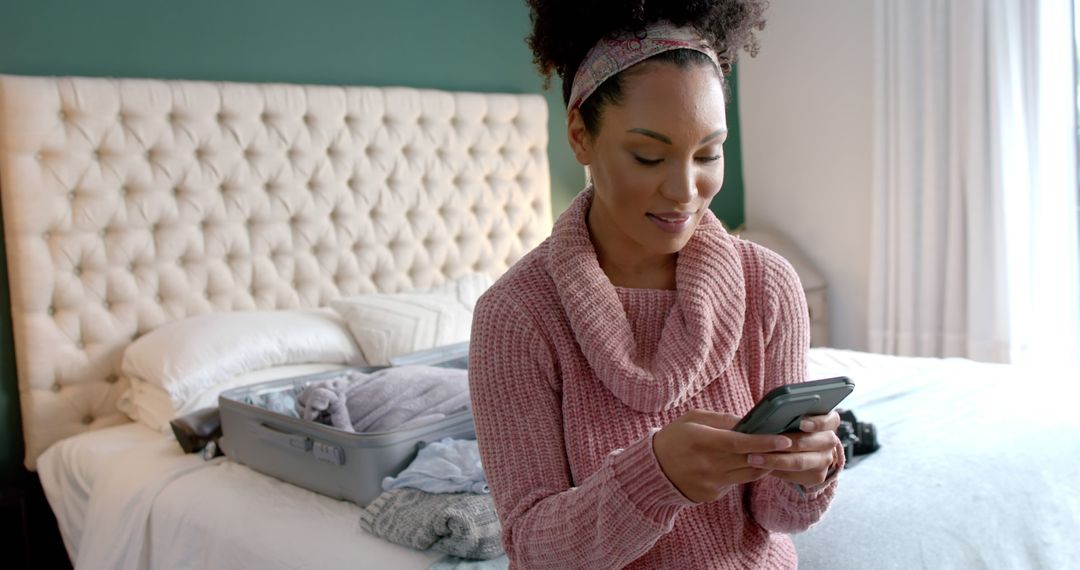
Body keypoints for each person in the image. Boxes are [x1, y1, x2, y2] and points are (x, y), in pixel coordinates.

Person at [468, 2, 844, 568]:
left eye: (708, 154)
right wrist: (656, 476)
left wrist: (807, 473)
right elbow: (535, 552)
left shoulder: (769, 284)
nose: (684, 190)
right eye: (649, 156)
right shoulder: (517, 316)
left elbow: (776, 517)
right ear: (580, 135)